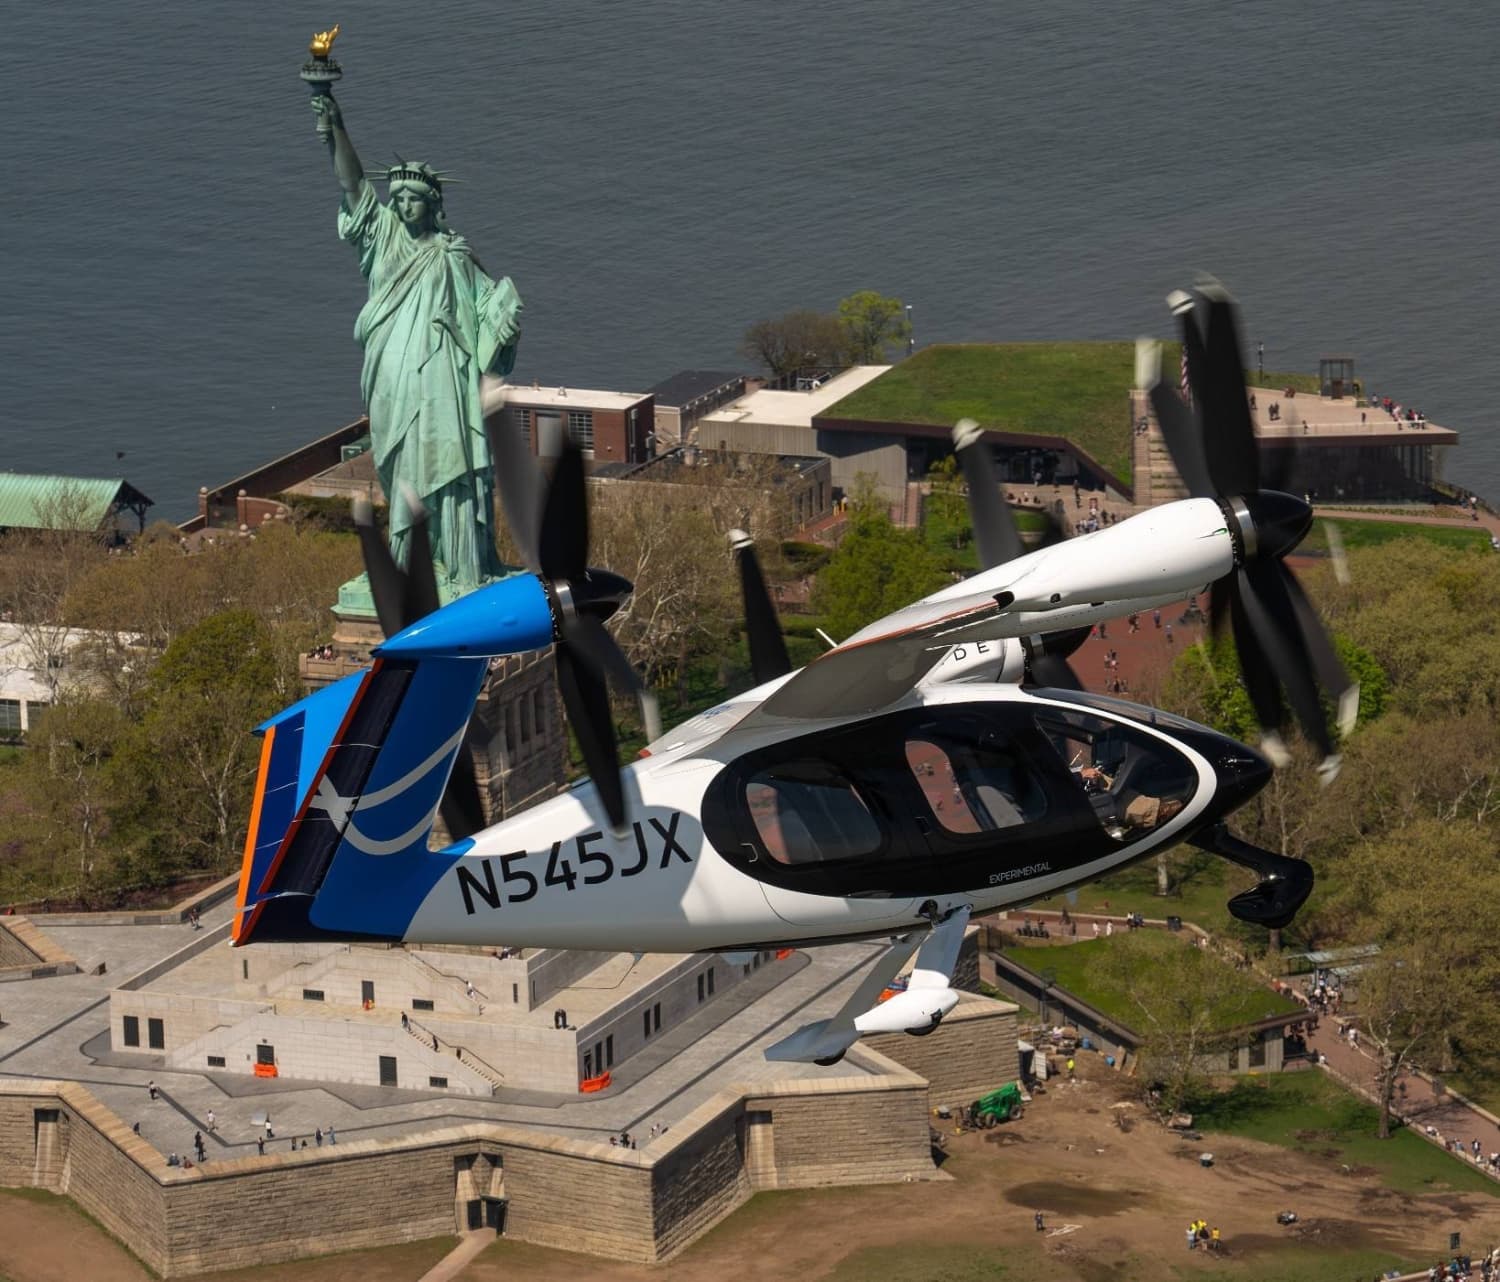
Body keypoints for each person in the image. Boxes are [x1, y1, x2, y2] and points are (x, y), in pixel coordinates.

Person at [309, 91, 523, 593]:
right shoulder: (380, 234)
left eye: (415, 199)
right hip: (392, 370)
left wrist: (507, 312)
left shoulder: (454, 254)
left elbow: (488, 309)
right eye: (399, 198)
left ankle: (461, 563)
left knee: (448, 459)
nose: (404, 205)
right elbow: (353, 182)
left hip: (445, 373)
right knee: (402, 458)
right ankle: (409, 561)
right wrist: (334, 120)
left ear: (433, 204)